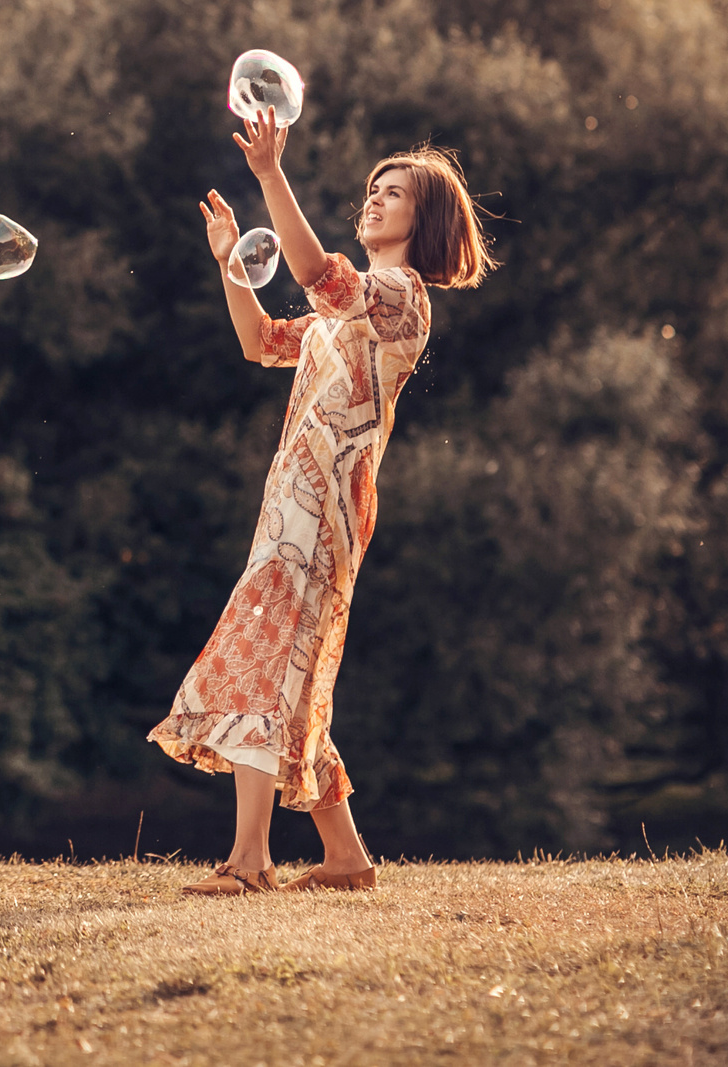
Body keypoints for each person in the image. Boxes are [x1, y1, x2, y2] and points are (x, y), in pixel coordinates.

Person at [149, 111, 495, 896]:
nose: (373, 199)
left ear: (426, 216)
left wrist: (272, 174)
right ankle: (345, 859)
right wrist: (233, 264)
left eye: (393, 192)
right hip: (291, 507)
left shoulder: (401, 297)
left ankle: (248, 861)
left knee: (266, 662)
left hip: (325, 513)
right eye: (372, 188)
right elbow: (262, 340)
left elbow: (321, 277)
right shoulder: (344, 316)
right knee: (296, 678)